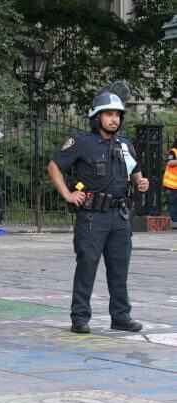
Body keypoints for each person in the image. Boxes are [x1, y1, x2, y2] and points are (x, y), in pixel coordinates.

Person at [47, 91, 149, 334]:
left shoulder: (125, 144)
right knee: (87, 266)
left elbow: (134, 169)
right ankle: (80, 318)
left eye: (118, 115)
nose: (115, 119)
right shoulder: (82, 143)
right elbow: (54, 166)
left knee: (119, 267)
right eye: (109, 114)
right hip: (92, 216)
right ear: (97, 117)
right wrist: (68, 195)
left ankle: (121, 316)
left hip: (119, 216)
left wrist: (140, 180)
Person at [163, 137, 177, 227]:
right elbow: (170, 162)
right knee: (173, 205)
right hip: (172, 185)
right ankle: (175, 224)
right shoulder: (173, 151)